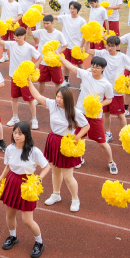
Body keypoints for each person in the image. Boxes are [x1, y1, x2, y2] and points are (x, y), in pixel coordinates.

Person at [28, 82, 89, 211]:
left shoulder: (75, 112)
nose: (58, 99)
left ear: (67, 99)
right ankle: (56, 194)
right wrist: (29, 82)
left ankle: (75, 199)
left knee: (68, 176)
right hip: (54, 140)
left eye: (61, 98)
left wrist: (76, 138)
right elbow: (37, 96)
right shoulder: (53, 105)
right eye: (57, 96)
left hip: (66, 143)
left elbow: (86, 126)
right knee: (55, 170)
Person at [0, 121, 50, 258]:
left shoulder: (34, 151)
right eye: (15, 133)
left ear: (26, 135)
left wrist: (39, 179)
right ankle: (13, 236)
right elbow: (8, 167)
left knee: (27, 220)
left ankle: (39, 243)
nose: (17, 136)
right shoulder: (9, 149)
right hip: (12, 182)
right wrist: (0, 180)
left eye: (20, 133)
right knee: (10, 214)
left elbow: (47, 166)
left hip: (27, 185)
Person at [59, 55, 118, 174]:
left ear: (103, 69)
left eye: (97, 67)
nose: (94, 69)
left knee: (102, 142)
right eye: (93, 66)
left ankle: (111, 162)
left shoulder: (106, 84)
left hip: (95, 116)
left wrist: (98, 104)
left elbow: (109, 99)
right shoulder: (85, 74)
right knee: (77, 137)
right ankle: (78, 158)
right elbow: (69, 66)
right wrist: (59, 56)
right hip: (81, 113)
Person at [84, 36, 130, 142]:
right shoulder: (103, 53)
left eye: (112, 46)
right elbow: (87, 50)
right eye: (108, 45)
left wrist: (129, 80)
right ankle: (108, 133)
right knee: (106, 113)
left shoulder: (122, 57)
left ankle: (125, 135)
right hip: (104, 90)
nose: (109, 48)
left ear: (117, 46)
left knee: (121, 115)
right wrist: (88, 38)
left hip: (116, 91)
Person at [0, 27, 42, 129]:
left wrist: (34, 67)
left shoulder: (29, 47)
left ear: (24, 36)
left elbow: (40, 57)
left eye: (18, 36)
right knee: (14, 98)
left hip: (25, 78)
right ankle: (15, 117)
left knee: (30, 99)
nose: (16, 38)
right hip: (14, 77)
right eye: (15, 36)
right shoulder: (12, 44)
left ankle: (34, 119)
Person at [54, 1, 86, 86]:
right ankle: (66, 80)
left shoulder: (82, 21)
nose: (72, 10)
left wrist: (81, 46)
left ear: (77, 10)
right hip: (67, 46)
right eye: (71, 8)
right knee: (66, 64)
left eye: (74, 9)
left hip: (76, 47)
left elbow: (85, 35)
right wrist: (41, 13)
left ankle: (84, 81)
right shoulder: (65, 17)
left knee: (80, 65)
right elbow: (54, 17)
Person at [33, 15, 67, 95]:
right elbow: (29, 33)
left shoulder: (59, 34)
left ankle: (58, 98)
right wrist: (30, 23)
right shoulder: (41, 32)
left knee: (58, 83)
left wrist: (58, 54)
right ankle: (39, 97)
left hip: (54, 63)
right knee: (41, 81)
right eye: (44, 23)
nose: (45, 25)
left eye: (47, 23)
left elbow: (65, 45)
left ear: (52, 23)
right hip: (43, 62)